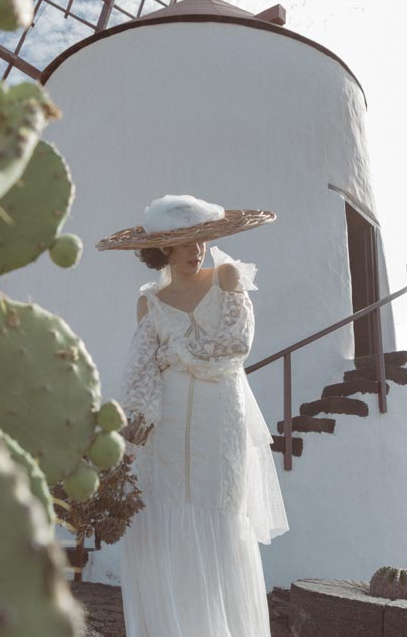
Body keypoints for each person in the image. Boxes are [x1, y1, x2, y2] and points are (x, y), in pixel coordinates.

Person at [96, 195, 288, 637]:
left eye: (200, 238)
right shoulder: (149, 302)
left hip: (220, 412)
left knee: (217, 509)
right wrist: (127, 437)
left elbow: (235, 346)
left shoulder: (226, 278)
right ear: (162, 248)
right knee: (163, 512)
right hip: (168, 421)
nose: (195, 248)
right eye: (183, 242)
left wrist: (176, 351)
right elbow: (140, 372)